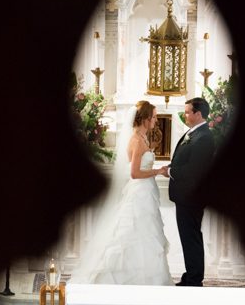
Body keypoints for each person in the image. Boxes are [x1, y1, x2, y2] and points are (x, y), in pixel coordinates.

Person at [68, 100, 173, 286]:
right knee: (133, 233)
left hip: (146, 192)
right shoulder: (137, 141)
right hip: (140, 193)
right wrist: (157, 171)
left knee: (146, 234)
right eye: (154, 117)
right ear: (146, 119)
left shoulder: (143, 138)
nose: (156, 120)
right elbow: (134, 174)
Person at [165, 97, 216, 286]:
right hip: (186, 195)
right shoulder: (195, 133)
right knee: (188, 237)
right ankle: (191, 275)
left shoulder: (204, 137)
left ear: (198, 114)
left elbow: (194, 170)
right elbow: (185, 160)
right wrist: (172, 166)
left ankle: (194, 279)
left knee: (191, 237)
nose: (185, 115)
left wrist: (170, 171)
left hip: (191, 196)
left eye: (187, 112)